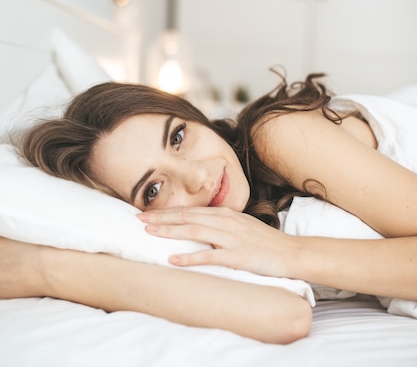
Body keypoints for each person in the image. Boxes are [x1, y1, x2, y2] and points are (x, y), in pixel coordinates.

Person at [2, 72, 417, 343]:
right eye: (153, 189)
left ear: (192, 115)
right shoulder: (229, 230)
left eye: (179, 136)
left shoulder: (276, 135)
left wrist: (289, 255)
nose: (198, 177)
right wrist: (48, 268)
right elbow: (281, 316)